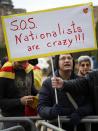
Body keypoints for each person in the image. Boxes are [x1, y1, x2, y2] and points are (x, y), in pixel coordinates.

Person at [38, 54, 93, 131]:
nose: (67, 60)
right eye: (63, 58)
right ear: (57, 62)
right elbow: (41, 108)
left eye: (69, 58)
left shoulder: (82, 81)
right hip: (58, 127)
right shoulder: (48, 83)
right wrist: (52, 111)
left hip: (80, 126)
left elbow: (90, 104)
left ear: (73, 62)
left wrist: (80, 112)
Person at [0, 60, 39, 130]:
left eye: (26, 62)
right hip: (11, 120)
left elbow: (31, 89)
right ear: (12, 59)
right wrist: (20, 101)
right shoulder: (3, 74)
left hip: (29, 117)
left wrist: (39, 94)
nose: (24, 65)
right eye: (20, 62)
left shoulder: (29, 69)